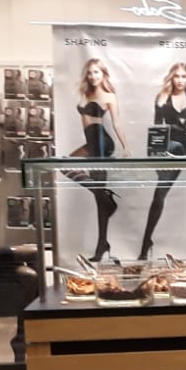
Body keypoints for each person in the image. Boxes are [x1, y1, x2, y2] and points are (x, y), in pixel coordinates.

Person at [139, 62, 186, 260]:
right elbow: (157, 128)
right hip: (173, 148)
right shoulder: (162, 99)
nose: (180, 80)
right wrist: (156, 153)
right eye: (177, 76)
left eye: (184, 76)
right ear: (171, 78)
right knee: (159, 194)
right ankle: (146, 242)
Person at [68, 58, 126, 262]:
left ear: (103, 74)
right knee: (66, 165)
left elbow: (117, 124)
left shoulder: (109, 96)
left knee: (99, 199)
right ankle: (103, 241)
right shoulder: (85, 94)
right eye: (90, 73)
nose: (93, 76)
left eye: (96, 72)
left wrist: (125, 147)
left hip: (101, 143)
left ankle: (101, 245)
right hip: (91, 143)